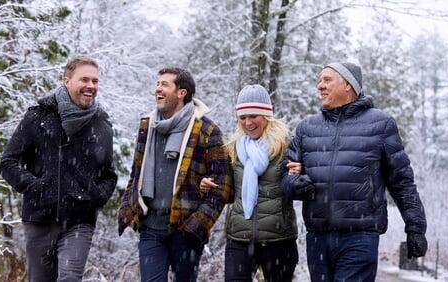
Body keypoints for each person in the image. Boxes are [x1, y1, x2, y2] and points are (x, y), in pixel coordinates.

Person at [281, 62, 428, 281]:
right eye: (320, 80)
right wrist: (294, 184)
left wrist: (416, 227)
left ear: (349, 84)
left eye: (327, 80)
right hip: (318, 238)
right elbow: (285, 177)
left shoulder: (380, 124)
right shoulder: (307, 128)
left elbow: (402, 181)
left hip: (360, 237)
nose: (320, 86)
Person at [0, 56, 117, 281]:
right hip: (40, 218)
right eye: (85, 79)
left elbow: (109, 175)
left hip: (79, 220)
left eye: (95, 81)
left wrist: (95, 196)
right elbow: (8, 161)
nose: (91, 86)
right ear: (67, 81)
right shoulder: (38, 116)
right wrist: (37, 187)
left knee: (70, 277)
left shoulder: (101, 125)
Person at [118, 67, 232, 282]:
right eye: (157, 84)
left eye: (164, 85)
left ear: (182, 93)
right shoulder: (148, 126)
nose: (157, 89)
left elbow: (223, 185)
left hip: (186, 230)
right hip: (150, 227)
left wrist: (196, 225)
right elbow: (136, 173)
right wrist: (127, 208)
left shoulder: (207, 131)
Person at [200, 84, 299, 282]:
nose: (248, 123)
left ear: (267, 116)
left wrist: (299, 173)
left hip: (278, 239)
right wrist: (205, 186)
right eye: (243, 117)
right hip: (240, 238)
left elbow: (298, 188)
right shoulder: (233, 148)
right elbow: (229, 192)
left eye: (254, 116)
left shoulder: (287, 146)